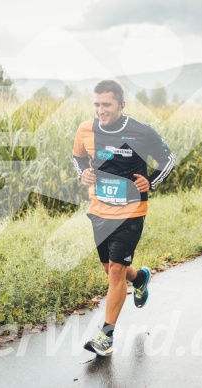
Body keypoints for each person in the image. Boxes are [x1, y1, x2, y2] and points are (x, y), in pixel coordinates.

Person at [72, 80, 176, 356]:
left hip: (131, 211)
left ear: (121, 104)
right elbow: (78, 158)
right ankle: (140, 278)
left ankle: (105, 336)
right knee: (111, 269)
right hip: (99, 210)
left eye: (106, 104)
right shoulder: (86, 129)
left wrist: (151, 182)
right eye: (96, 104)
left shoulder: (140, 132)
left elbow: (168, 159)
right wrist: (82, 173)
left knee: (116, 271)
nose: (100, 110)